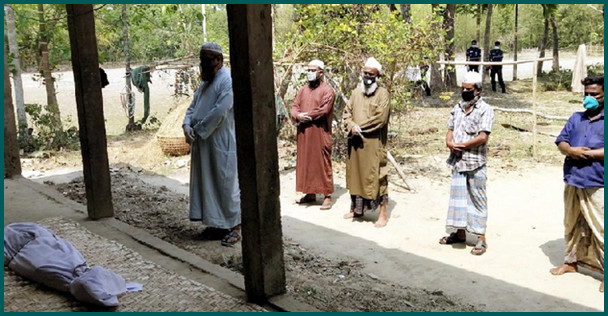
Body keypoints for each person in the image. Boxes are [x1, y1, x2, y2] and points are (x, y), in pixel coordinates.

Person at [182, 42, 241, 247]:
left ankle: (235, 227)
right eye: (202, 61)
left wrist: (198, 130)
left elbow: (220, 111)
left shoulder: (227, 81)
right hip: (202, 142)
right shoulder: (205, 83)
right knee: (208, 184)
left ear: (219, 60)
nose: (203, 64)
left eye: (207, 60)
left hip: (219, 141)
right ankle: (217, 224)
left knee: (225, 185)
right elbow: (193, 106)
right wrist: (186, 124)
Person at [551, 75, 604, 293]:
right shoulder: (576, 118)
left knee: (602, 228)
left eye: (595, 94)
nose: (589, 98)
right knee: (572, 224)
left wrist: (591, 155)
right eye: (587, 94)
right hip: (573, 178)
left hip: (598, 181)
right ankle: (571, 262)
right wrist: (570, 150)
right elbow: (562, 140)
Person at [439, 71, 494, 255]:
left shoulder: (486, 109)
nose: (464, 92)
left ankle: (480, 238)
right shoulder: (457, 107)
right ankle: (460, 233)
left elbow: (483, 136)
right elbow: (450, 129)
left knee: (478, 199)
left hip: (475, 162)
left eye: (468, 89)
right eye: (462, 88)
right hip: (458, 161)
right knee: (458, 199)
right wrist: (449, 143)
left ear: (478, 90)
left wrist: (463, 145)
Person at [342, 57, 391, 228]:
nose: (367, 76)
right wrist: (351, 125)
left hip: (373, 144)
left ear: (378, 76)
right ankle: (357, 210)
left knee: (378, 177)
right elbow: (346, 113)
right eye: (365, 73)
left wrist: (358, 126)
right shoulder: (356, 93)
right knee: (356, 176)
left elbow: (380, 119)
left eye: (371, 74)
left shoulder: (383, 94)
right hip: (355, 143)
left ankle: (382, 214)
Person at [291, 59, 336, 210]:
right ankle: (310, 193)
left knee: (322, 163)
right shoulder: (303, 89)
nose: (309, 73)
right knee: (306, 161)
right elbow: (294, 106)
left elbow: (323, 110)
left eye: (313, 70)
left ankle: (327, 195)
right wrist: (297, 115)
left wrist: (306, 116)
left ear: (321, 73)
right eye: (308, 70)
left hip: (319, 132)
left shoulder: (328, 90)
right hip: (304, 133)